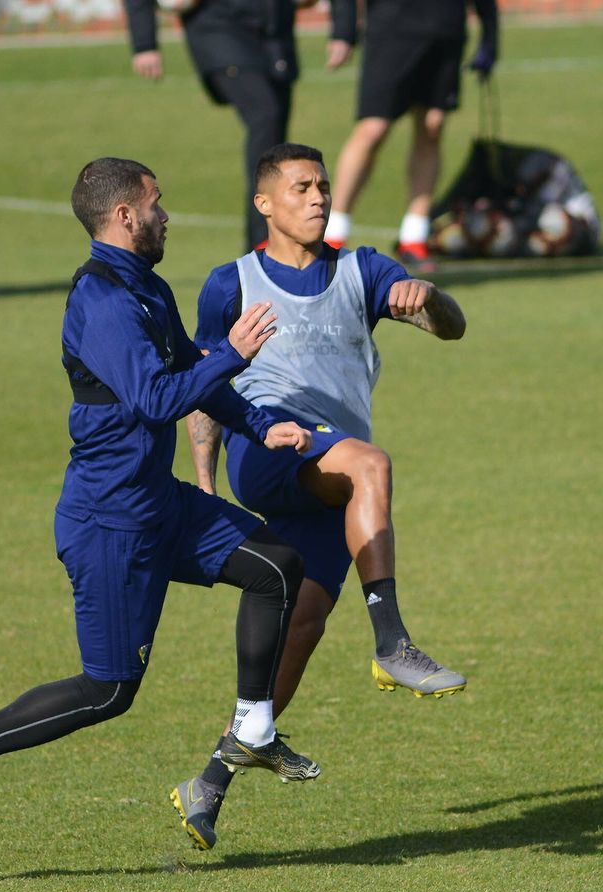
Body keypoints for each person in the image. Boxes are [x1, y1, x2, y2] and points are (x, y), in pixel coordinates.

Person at [0, 157, 319, 796]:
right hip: (110, 522)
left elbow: (187, 370)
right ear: (125, 215)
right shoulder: (104, 300)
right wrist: (235, 353)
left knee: (276, 565)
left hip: (159, 505)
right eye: (157, 204)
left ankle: (252, 728)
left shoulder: (146, 285)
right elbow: (156, 399)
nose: (166, 216)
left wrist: (256, 424)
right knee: (109, 690)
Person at [172, 143, 467, 851]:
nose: (318, 198)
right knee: (373, 463)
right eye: (301, 187)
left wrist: (428, 298)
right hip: (269, 451)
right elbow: (204, 388)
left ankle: (207, 784)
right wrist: (208, 484)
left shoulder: (365, 270)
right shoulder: (229, 283)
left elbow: (451, 328)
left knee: (298, 632)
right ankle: (392, 640)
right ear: (264, 203)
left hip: (328, 480)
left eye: (324, 187)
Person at [122, 0, 356, 251]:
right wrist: (144, 42)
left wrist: (344, 31)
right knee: (266, 115)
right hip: (219, 30)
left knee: (273, 135)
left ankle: (268, 245)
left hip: (275, 34)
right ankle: (263, 244)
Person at [321, 0, 499, 269]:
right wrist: (343, 32)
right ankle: (333, 232)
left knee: (432, 125)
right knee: (373, 128)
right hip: (391, 30)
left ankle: (413, 236)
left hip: (446, 29)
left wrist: (490, 35)